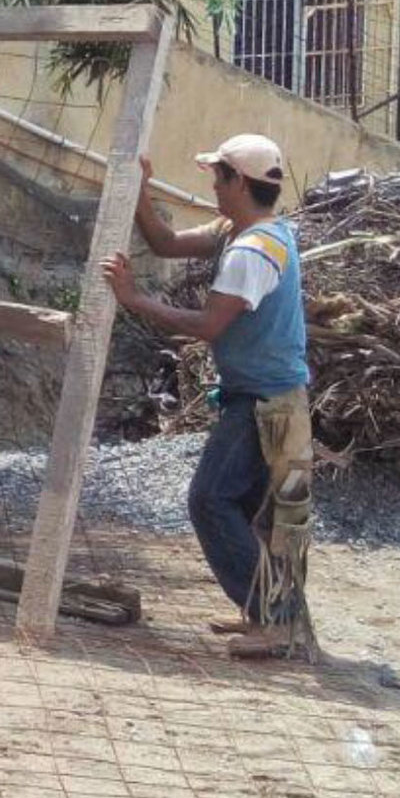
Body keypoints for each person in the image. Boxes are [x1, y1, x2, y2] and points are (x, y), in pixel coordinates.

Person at [101, 133, 315, 660]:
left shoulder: (250, 251)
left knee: (209, 500)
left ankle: (276, 619)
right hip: (270, 393)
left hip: (264, 401)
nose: (213, 188)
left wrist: (133, 299)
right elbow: (167, 243)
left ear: (238, 182)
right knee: (254, 511)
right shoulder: (250, 233)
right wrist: (139, 191)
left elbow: (210, 325)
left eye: (218, 178)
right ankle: (267, 611)